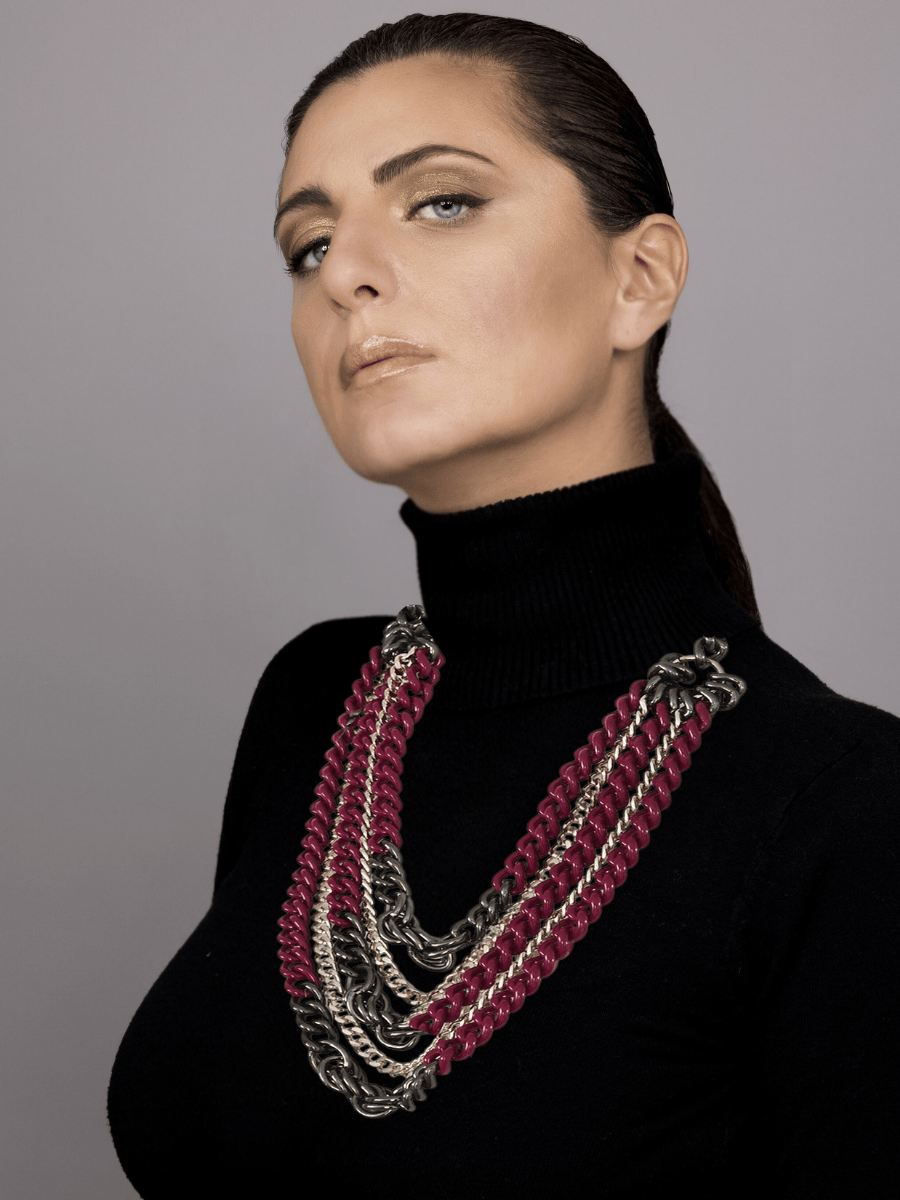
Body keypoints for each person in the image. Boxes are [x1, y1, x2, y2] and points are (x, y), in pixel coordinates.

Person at [107, 13, 899, 1197]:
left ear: (640, 279)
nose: (347, 276)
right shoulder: (316, 706)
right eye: (308, 243)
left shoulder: (840, 809)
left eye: (439, 202)